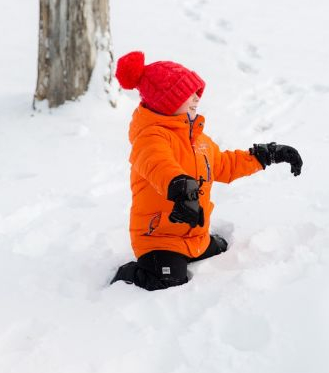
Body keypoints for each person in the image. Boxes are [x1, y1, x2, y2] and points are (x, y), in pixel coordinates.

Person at [111, 51, 303, 291]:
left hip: (195, 236)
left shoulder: (198, 140)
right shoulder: (149, 138)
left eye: (196, 93)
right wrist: (180, 187)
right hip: (159, 239)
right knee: (169, 281)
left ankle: (198, 245)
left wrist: (267, 155)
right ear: (166, 102)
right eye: (187, 94)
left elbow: (225, 165)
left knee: (222, 250)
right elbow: (159, 166)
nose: (196, 98)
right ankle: (129, 273)